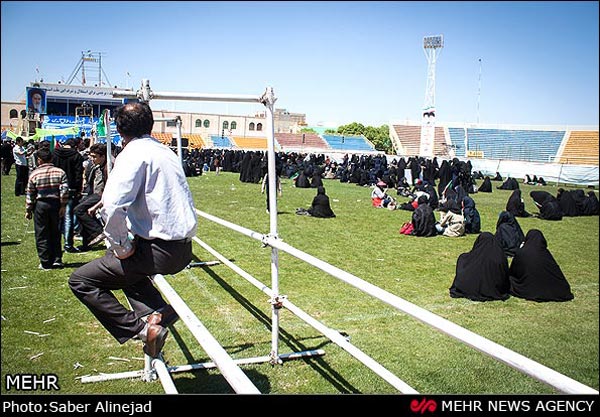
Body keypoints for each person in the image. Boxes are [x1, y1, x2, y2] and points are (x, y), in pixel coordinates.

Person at [69, 102, 198, 358]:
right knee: (125, 269)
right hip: (183, 249)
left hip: (158, 250)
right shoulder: (166, 152)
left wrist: (121, 247)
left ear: (118, 129)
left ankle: (141, 330)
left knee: (82, 280)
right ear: (150, 125)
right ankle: (159, 312)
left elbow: (112, 206)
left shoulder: (131, 154)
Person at [25, 147, 69, 270]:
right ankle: (57, 259)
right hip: (55, 203)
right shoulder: (60, 172)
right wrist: (63, 205)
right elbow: (64, 191)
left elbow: (30, 193)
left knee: (41, 233)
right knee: (55, 231)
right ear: (51, 158)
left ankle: (45, 261)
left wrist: (28, 209)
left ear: (39, 160)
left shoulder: (34, 174)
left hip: (41, 204)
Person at [509, 229, 574, 302]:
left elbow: (513, 271)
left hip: (528, 289)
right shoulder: (544, 253)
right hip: (552, 290)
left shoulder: (522, 253)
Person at [449, 232, 510, 301]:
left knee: (463, 258)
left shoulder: (472, 259)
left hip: (470, 288)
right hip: (495, 289)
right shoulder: (500, 258)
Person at [73, 143, 107, 251]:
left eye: (94, 156)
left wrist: (96, 206)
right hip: (96, 193)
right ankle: (87, 241)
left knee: (79, 210)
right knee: (79, 207)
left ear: (103, 156)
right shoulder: (98, 166)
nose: (92, 159)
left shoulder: (108, 167)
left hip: (102, 195)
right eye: (91, 156)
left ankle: (98, 231)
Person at [53, 138, 85, 253]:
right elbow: (78, 174)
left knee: (56, 218)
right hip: (71, 189)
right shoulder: (76, 156)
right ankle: (68, 244)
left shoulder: (54, 154)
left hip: (55, 188)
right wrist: (78, 189)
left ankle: (55, 244)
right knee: (68, 217)